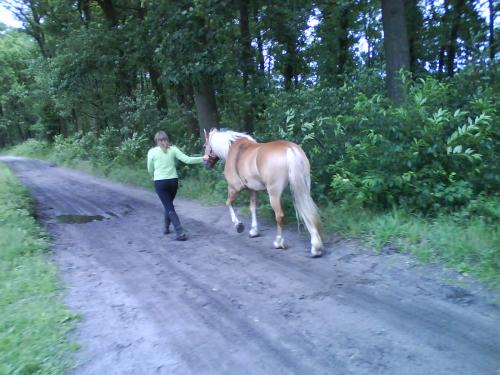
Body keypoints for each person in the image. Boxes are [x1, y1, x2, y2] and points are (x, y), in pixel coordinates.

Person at [147, 130, 208, 241]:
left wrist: (153, 176)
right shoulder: (173, 150)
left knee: (169, 206)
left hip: (160, 182)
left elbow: (150, 168)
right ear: (166, 139)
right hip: (173, 182)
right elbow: (187, 160)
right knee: (168, 204)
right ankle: (166, 227)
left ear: (156, 141)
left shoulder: (152, 152)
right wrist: (202, 158)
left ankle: (180, 232)